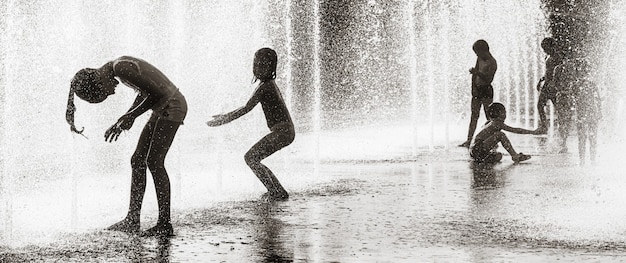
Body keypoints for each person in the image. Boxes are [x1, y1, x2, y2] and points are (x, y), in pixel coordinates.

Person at [66, 56, 188, 237]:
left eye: (106, 93)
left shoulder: (121, 68)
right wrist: (127, 115)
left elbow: (155, 94)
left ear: (99, 81)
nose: (112, 93)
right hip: (163, 106)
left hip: (172, 105)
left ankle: (164, 223)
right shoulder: (118, 68)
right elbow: (146, 91)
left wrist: (131, 116)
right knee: (137, 159)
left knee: (155, 162)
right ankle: (132, 219)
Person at [206, 48, 294, 201]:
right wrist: (224, 115)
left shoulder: (265, 86)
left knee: (251, 158)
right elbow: (245, 107)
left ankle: (275, 191)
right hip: (285, 132)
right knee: (253, 158)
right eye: (257, 65)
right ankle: (277, 190)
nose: (259, 68)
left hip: (283, 132)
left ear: (272, 67)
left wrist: (224, 120)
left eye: (263, 65)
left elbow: (246, 108)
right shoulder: (267, 84)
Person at [470, 102, 540, 163]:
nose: (506, 114)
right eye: (504, 112)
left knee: (499, 156)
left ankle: (485, 158)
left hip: (475, 151)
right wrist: (533, 132)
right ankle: (515, 156)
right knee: (500, 135)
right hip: (477, 148)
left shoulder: (490, 122)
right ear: (497, 113)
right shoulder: (497, 123)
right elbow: (515, 130)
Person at [460, 40, 498, 148]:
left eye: (477, 52)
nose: (476, 54)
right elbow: (474, 74)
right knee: (474, 116)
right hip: (477, 89)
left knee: (488, 116)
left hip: (486, 90)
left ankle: (493, 139)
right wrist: (473, 88)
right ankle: (468, 140)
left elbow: (488, 79)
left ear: (484, 50)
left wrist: (477, 73)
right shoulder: (480, 58)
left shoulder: (492, 62)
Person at [570, 58, 601, 164]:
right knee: (590, 137)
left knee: (583, 137)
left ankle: (584, 160)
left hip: (584, 113)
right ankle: (590, 159)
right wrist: (600, 113)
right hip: (589, 112)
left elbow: (572, 101)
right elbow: (598, 99)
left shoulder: (575, 85)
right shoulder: (590, 83)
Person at [536, 37, 563, 133]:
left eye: (546, 47)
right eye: (543, 48)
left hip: (553, 86)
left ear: (552, 46)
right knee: (540, 105)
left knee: (558, 107)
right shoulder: (547, 56)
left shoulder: (557, 57)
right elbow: (548, 71)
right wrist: (541, 80)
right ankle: (544, 127)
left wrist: (555, 84)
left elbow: (559, 72)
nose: (544, 50)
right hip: (546, 85)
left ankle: (562, 126)